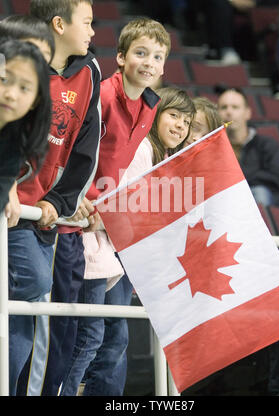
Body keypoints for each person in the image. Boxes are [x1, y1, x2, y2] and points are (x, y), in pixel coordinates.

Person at [61, 86, 195, 396]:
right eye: (174, 116)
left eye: (186, 122)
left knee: (109, 337)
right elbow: (124, 203)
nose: (180, 126)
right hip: (105, 246)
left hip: (120, 250)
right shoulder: (143, 148)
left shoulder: (158, 153)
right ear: (157, 115)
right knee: (101, 337)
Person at [9, 0, 101, 396]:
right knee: (30, 287)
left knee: (24, 319)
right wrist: (7, 188)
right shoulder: (16, 65)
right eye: (88, 22)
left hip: (40, 215)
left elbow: (85, 151)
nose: (94, 32)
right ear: (59, 24)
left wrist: (58, 204)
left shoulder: (90, 72)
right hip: (10, 210)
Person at [0, 39, 51, 218]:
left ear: (35, 101)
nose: (11, 95)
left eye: (24, 88)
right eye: (4, 79)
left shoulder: (15, 145)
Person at [217, 87, 279, 205]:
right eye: (223, 107)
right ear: (217, 114)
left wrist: (239, 178)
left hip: (273, 198)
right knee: (260, 192)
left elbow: (277, 178)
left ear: (247, 113)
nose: (229, 112)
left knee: (260, 192)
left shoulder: (267, 144)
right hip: (226, 201)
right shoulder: (212, 148)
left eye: (235, 107)